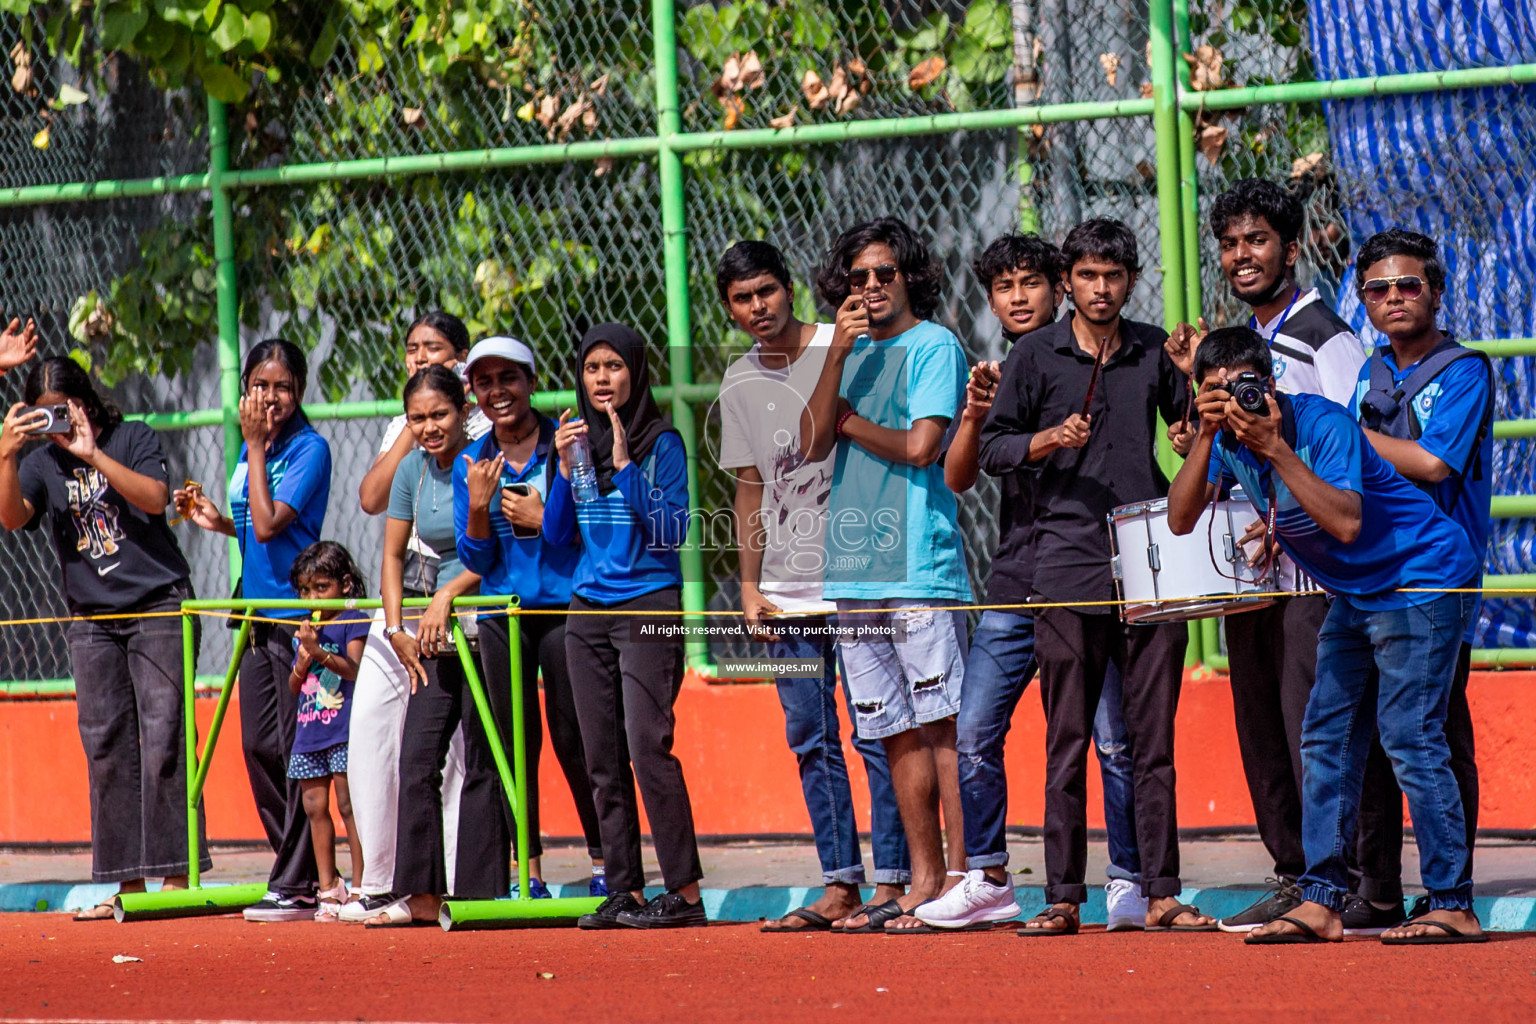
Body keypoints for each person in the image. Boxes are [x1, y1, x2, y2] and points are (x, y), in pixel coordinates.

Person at [1168, 326, 1485, 945]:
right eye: (1216, 393)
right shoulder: (1226, 440)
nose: (1236, 403)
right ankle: (1321, 901)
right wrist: (1205, 437)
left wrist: (1275, 447)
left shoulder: (1321, 425)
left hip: (1420, 577)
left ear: (1272, 385)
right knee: (1325, 736)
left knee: (1409, 737)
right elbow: (1181, 519)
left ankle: (1453, 902)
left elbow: (1344, 521)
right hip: (1358, 592)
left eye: (1246, 388)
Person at [979, 218, 1211, 935]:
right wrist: (1048, 439)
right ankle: (1060, 897)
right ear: (1068, 282)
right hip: (1065, 568)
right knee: (1068, 738)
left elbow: (1193, 422)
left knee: (1151, 740)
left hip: (1146, 568)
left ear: (1130, 281)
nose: (1100, 288)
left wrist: (1195, 378)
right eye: (1086, 276)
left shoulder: (1151, 351)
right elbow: (991, 449)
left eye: (1113, 276)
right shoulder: (1034, 354)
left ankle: (1160, 892)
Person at [918, 233, 1146, 932]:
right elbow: (961, 474)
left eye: (1031, 284)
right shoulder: (1011, 367)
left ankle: (1128, 879)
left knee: (1111, 738)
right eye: (1003, 288)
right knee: (977, 729)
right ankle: (988, 875)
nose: (1019, 298)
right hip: (1015, 582)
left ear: (1061, 288)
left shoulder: (1090, 353)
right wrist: (976, 413)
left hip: (1086, 579)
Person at [1165, 179, 1367, 932]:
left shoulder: (1323, 336)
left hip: (1317, 577)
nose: (1241, 256)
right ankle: (1294, 875)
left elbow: (1355, 451)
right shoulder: (1237, 346)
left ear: (1290, 245)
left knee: (1319, 726)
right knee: (1264, 729)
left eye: (1256, 240)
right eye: (1229, 243)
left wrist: (1286, 514)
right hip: (1252, 577)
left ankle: (1345, 883)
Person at [713, 240, 911, 932]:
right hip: (786, 592)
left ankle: (896, 879)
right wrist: (748, 586)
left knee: (877, 731)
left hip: (859, 580)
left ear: (788, 288)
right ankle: (841, 884)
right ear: (729, 308)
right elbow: (749, 486)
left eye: (766, 291)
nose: (757, 308)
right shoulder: (739, 381)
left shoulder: (847, 340)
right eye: (741, 299)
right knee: (810, 735)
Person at [799, 218, 971, 933]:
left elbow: (923, 446)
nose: (870, 287)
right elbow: (808, 443)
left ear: (910, 278)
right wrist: (835, 357)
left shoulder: (934, 345)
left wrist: (849, 425)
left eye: (884, 274)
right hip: (855, 572)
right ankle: (921, 880)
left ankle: (967, 876)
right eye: (858, 277)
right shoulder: (847, 353)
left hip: (918, 566)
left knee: (942, 729)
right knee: (891, 733)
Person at [0, 356, 207, 920]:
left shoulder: (130, 436)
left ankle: (174, 881)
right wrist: (7, 452)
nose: (55, 426)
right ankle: (127, 886)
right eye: (41, 417)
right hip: (91, 620)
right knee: (107, 749)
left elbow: (156, 498)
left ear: (84, 402)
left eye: (61, 413)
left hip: (158, 603)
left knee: (165, 737)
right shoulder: (41, 462)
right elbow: (14, 519)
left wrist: (92, 454)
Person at [1348, 229, 1492, 935]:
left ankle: (1451, 898)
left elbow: (1434, 464)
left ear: (1435, 292)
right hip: (1374, 571)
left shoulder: (1464, 369)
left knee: (1426, 734)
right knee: (1385, 735)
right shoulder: (1370, 367)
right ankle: (1380, 890)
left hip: (1436, 575)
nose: (1394, 298)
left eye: (1409, 285)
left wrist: (1342, 438)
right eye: (1378, 288)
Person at [547, 324, 706, 929]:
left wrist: (626, 466)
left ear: (636, 372)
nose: (603, 378)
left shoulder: (661, 441)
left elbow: (672, 531)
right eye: (592, 368)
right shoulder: (573, 444)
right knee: (602, 756)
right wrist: (563, 475)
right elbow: (560, 538)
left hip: (648, 608)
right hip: (586, 613)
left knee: (647, 746)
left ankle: (686, 895)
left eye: (614, 366)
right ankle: (625, 890)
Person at [175, 339, 331, 923]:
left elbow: (269, 525)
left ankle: (297, 881)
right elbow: (250, 526)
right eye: (260, 385)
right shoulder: (253, 449)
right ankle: (301, 871)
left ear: (299, 391)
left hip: (294, 615)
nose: (270, 396)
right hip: (254, 614)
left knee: (297, 751)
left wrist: (259, 447)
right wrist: (216, 519)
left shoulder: (309, 449)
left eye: (282, 386)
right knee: (258, 746)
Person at [341, 312, 485, 923]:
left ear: (463, 405)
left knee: (485, 759)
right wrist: (397, 628)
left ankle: (487, 890)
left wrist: (449, 597)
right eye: (418, 417)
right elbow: (391, 554)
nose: (429, 427)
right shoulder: (409, 464)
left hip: (485, 621)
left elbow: (494, 553)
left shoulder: (484, 454)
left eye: (439, 415)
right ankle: (418, 894)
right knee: (415, 754)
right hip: (428, 630)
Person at [451, 337, 602, 904]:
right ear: (474, 393)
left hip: (564, 610)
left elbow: (593, 527)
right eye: (485, 383)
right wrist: (477, 507)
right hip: (502, 615)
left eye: (508, 378)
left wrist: (546, 510)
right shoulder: (475, 460)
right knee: (516, 746)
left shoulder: (565, 443)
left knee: (575, 737)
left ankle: (603, 860)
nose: (498, 392)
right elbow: (476, 561)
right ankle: (527, 870)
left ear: (530, 380)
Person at [285, 542, 371, 921]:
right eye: (305, 590)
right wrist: (302, 661)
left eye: (322, 587)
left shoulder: (352, 619)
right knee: (315, 807)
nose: (313, 597)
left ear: (346, 584)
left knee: (349, 805)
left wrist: (318, 653)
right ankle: (328, 885)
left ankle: (363, 882)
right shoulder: (305, 629)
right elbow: (293, 686)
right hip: (310, 732)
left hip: (343, 730)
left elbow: (354, 668)